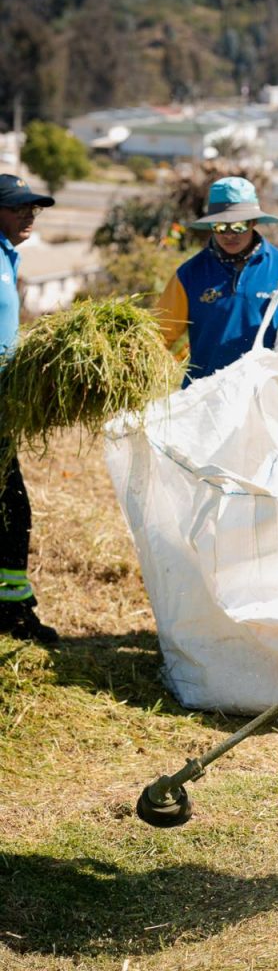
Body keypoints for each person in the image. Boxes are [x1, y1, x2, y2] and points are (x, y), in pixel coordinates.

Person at [155, 176, 278, 383]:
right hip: (206, 395)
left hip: (269, 393)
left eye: (238, 226)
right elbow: (160, 335)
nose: (229, 234)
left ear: (253, 222)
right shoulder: (189, 275)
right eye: (220, 226)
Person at [0, 174, 59, 645]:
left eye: (33, 209)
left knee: (11, 509)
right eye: (18, 207)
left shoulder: (7, 257)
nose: (28, 215)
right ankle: (14, 611)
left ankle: (13, 608)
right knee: (12, 509)